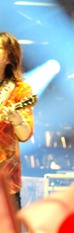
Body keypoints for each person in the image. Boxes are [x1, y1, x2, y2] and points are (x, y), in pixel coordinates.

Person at [0, 32, 35, 211]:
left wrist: (17, 120)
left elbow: (25, 135)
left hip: (5, 181)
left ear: (9, 57)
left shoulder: (20, 91)